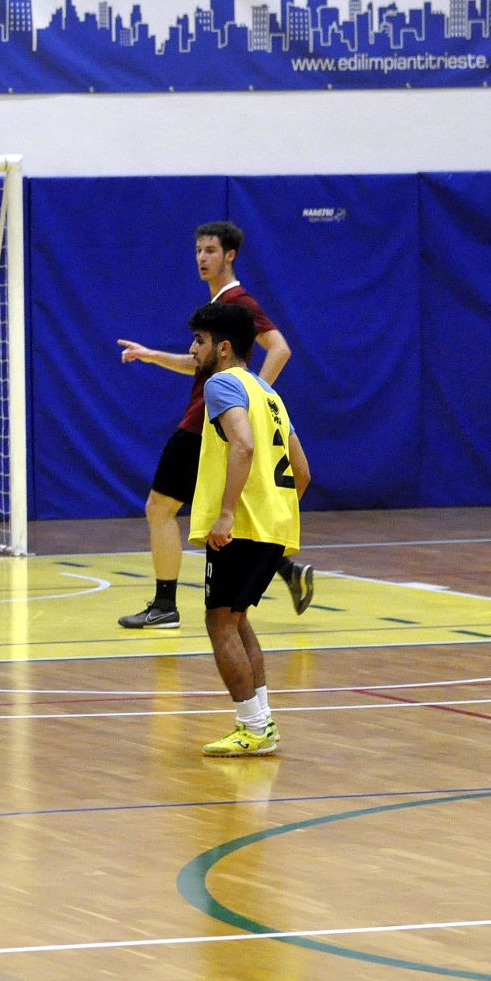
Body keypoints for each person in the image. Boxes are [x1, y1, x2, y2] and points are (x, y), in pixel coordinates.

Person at [117, 220, 311, 628]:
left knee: (160, 507)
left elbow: (280, 349)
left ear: (230, 255)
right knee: (216, 511)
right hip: (208, 420)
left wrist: (253, 396)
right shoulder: (220, 304)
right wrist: (152, 355)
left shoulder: (238, 301)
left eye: (210, 250)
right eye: (198, 251)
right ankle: (283, 567)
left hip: (201, 424)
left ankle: (165, 604)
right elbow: (198, 363)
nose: (202, 258)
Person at [185, 302, 311, 758]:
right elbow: (302, 471)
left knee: (219, 621)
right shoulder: (268, 393)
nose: (192, 349)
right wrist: (274, 508)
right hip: (274, 526)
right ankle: (261, 722)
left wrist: (226, 514)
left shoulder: (222, 384)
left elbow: (242, 444)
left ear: (223, 348)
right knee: (236, 618)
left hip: (241, 527)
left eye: (199, 341)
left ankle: (253, 726)